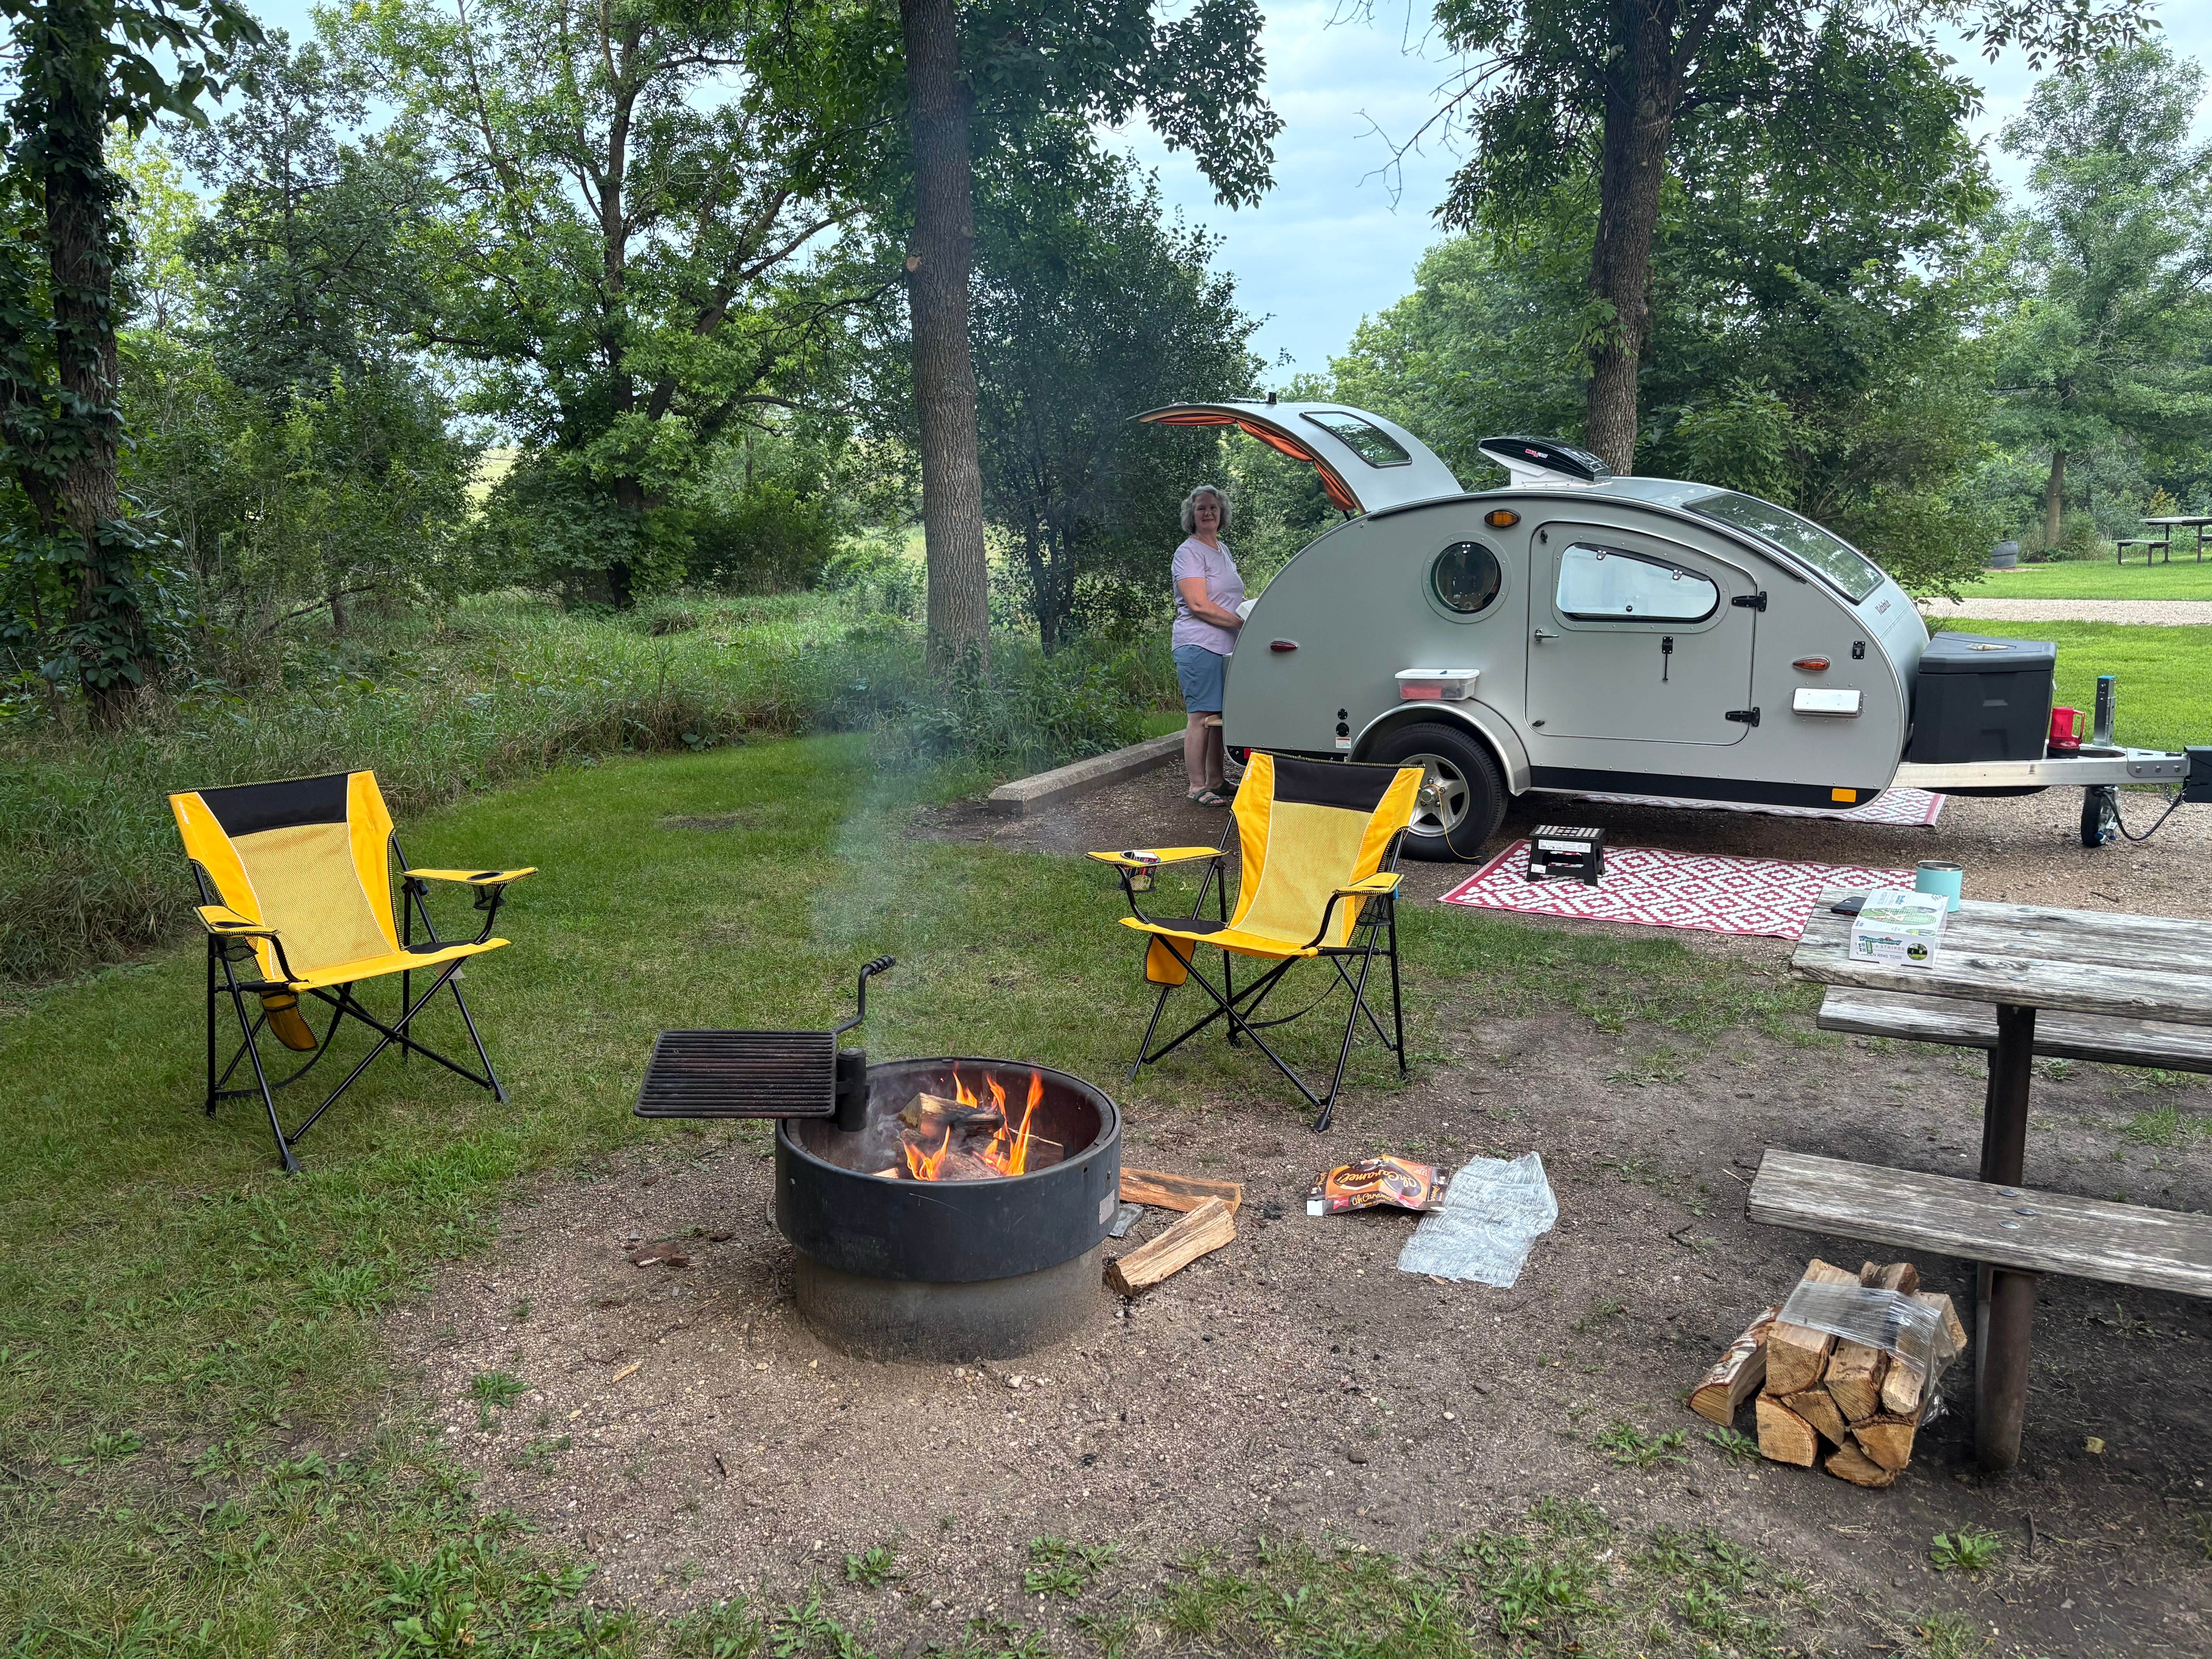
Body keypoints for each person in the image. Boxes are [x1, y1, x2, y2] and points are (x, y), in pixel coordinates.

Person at [1171, 483, 1246, 806]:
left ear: (1222, 513)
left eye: (1213, 507)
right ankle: (1196, 786)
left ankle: (1217, 780)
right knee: (1201, 717)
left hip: (1224, 647)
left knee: (1218, 719)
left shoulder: (1222, 550)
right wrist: (1244, 625)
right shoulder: (1188, 552)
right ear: (1192, 515)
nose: (1208, 513)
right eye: (1201, 508)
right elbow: (1199, 604)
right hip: (1198, 644)